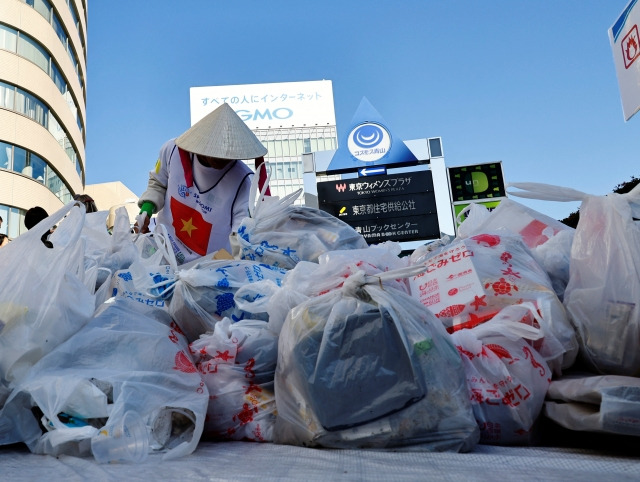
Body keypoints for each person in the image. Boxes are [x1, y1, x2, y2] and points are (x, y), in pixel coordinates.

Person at [135, 103, 268, 265]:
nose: (223, 158)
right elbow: (158, 183)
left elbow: (239, 231)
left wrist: (237, 262)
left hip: (207, 267)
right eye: (217, 152)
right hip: (164, 250)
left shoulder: (241, 180)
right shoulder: (171, 152)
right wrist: (146, 211)